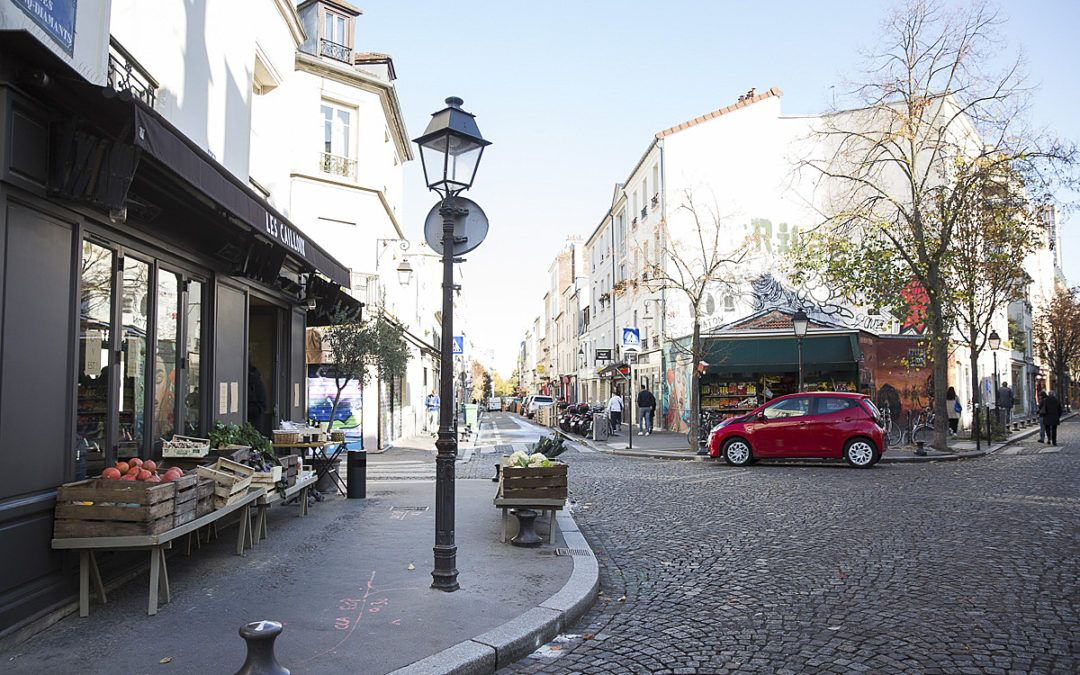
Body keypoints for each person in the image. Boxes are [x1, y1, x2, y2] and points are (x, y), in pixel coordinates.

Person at [247, 363, 268, 435]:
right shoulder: (258, 383)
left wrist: (247, 409)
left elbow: (262, 406)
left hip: (254, 422)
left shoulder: (257, 385)